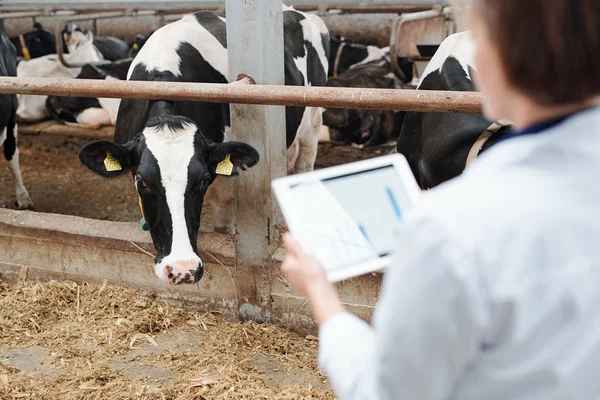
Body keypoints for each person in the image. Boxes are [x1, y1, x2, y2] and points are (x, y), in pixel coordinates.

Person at [280, 0, 600, 399]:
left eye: (478, 38)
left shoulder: (450, 229)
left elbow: (387, 392)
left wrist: (321, 293)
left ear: (498, 57)